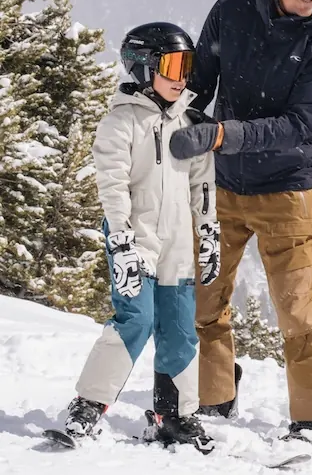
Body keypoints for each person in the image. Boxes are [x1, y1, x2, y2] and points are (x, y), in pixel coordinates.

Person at [170, 0, 312, 450]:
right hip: (221, 185)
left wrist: (223, 135)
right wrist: (175, 110)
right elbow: (199, 83)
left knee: (296, 309)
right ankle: (214, 395)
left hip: (286, 189)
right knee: (203, 296)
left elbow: (299, 126)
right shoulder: (231, 13)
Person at [61, 22, 221, 451]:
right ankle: (88, 404)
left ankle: (175, 416)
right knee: (137, 320)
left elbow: (202, 186)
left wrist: (208, 232)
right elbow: (111, 185)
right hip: (135, 239)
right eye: (171, 65)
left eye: (187, 65)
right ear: (143, 67)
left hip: (177, 246)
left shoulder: (191, 124)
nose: (182, 76)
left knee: (179, 330)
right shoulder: (122, 122)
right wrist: (120, 238)